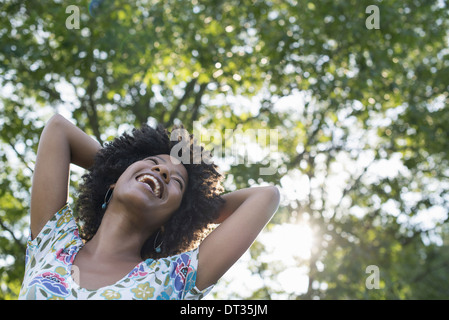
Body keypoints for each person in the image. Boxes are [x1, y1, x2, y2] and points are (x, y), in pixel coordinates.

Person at [19, 114, 280, 300]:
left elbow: (266, 196)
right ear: (112, 182)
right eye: (152, 161)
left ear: (172, 219)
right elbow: (58, 129)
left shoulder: (175, 280)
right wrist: (117, 170)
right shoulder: (53, 243)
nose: (162, 170)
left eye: (175, 181)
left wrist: (191, 211)